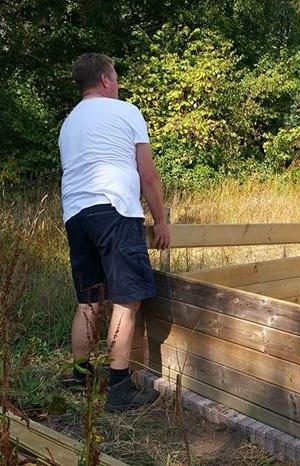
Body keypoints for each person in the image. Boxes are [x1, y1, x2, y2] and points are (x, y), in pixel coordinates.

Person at [58, 53, 170, 412]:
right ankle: (119, 388)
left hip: (76, 215)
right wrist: (161, 220)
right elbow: (148, 176)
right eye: (116, 78)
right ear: (106, 80)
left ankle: (81, 375)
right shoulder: (126, 112)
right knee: (127, 299)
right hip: (115, 211)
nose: (118, 85)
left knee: (88, 300)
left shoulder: (69, 122)